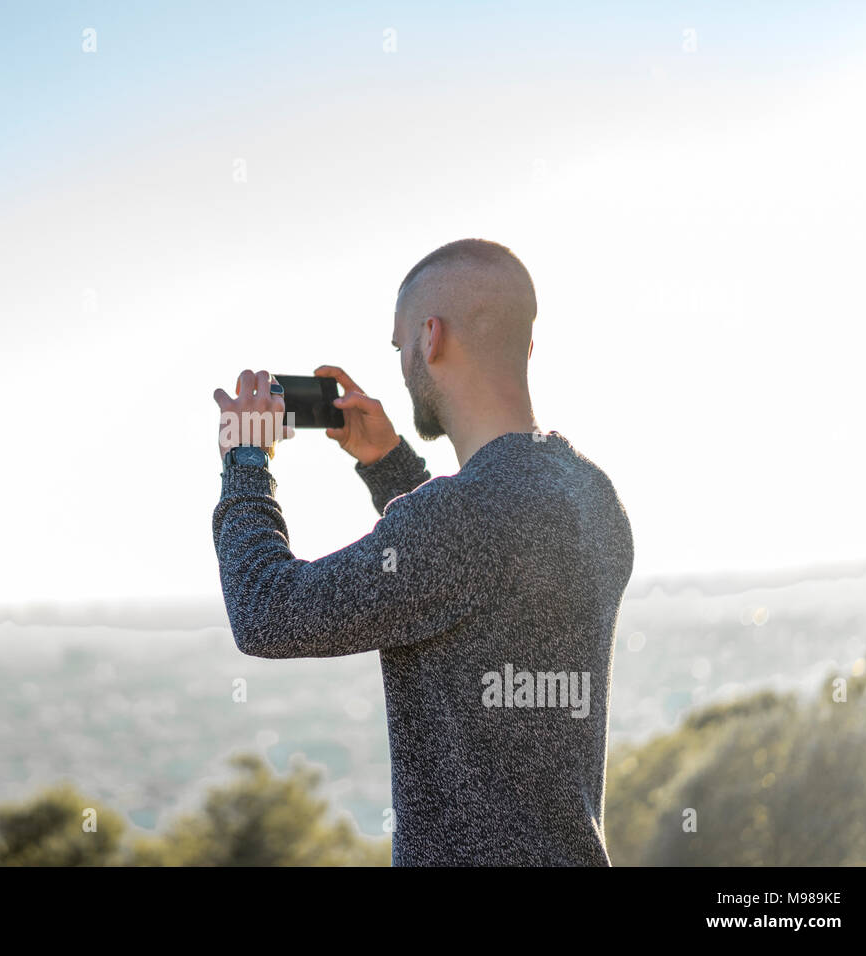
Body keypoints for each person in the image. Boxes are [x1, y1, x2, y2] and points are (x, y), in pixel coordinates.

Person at [210, 238, 634, 865]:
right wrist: (389, 466)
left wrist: (245, 463)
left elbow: (266, 612)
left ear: (430, 337)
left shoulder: (464, 519)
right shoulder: (591, 493)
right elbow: (473, 575)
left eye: (400, 345)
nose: (403, 362)